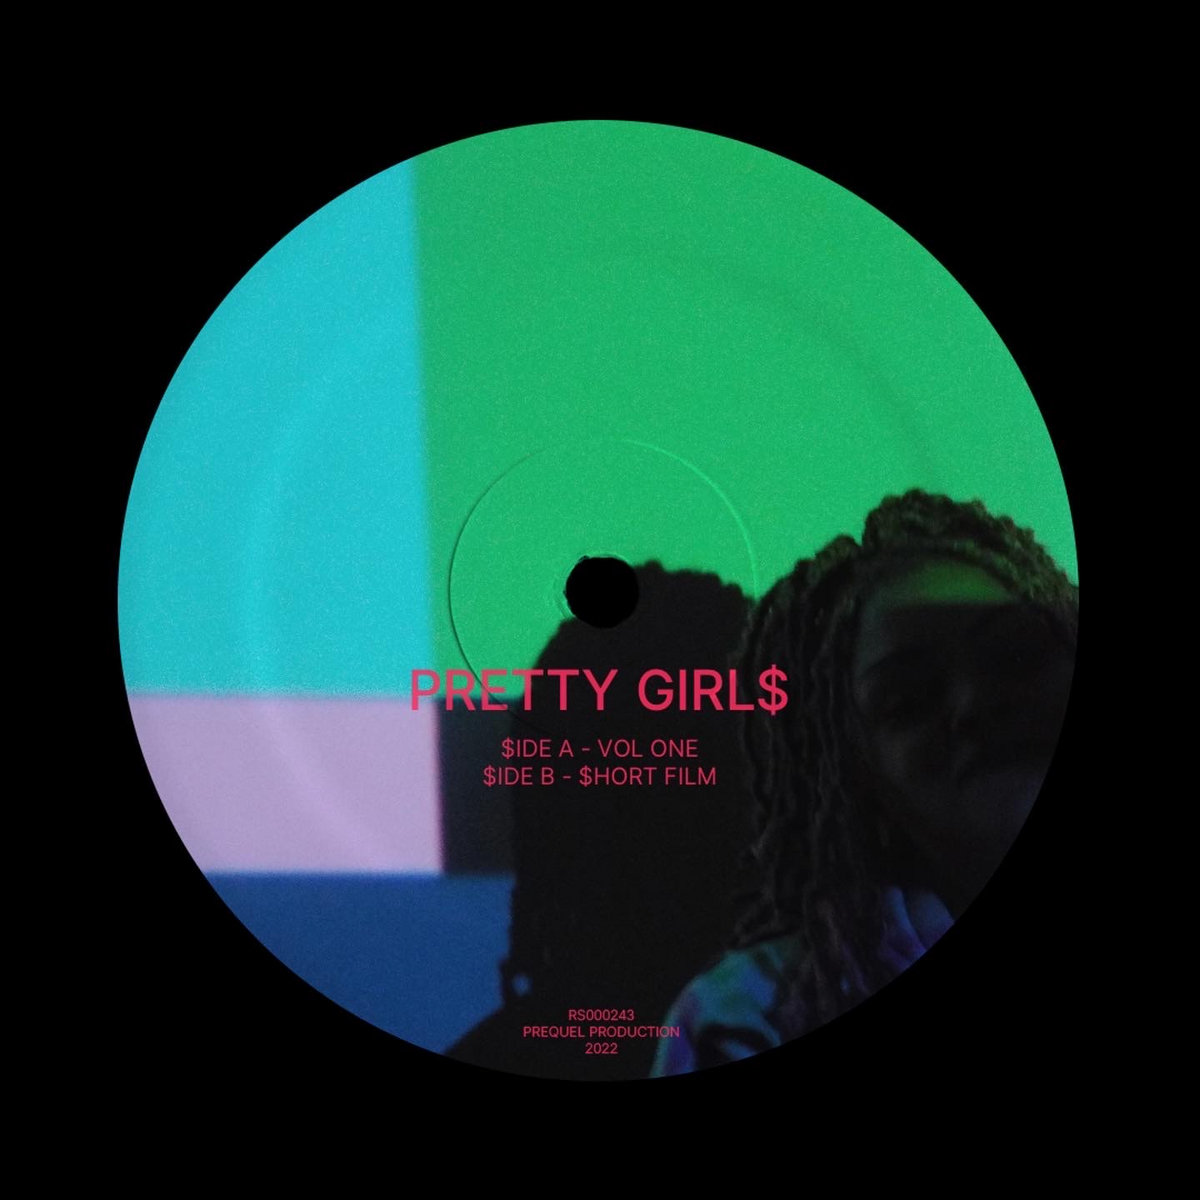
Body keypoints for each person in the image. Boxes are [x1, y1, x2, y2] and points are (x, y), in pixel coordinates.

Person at [651, 489, 1077, 1075]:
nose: (974, 704)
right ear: (859, 775)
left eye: (1015, 654)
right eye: (907, 700)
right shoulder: (747, 1015)